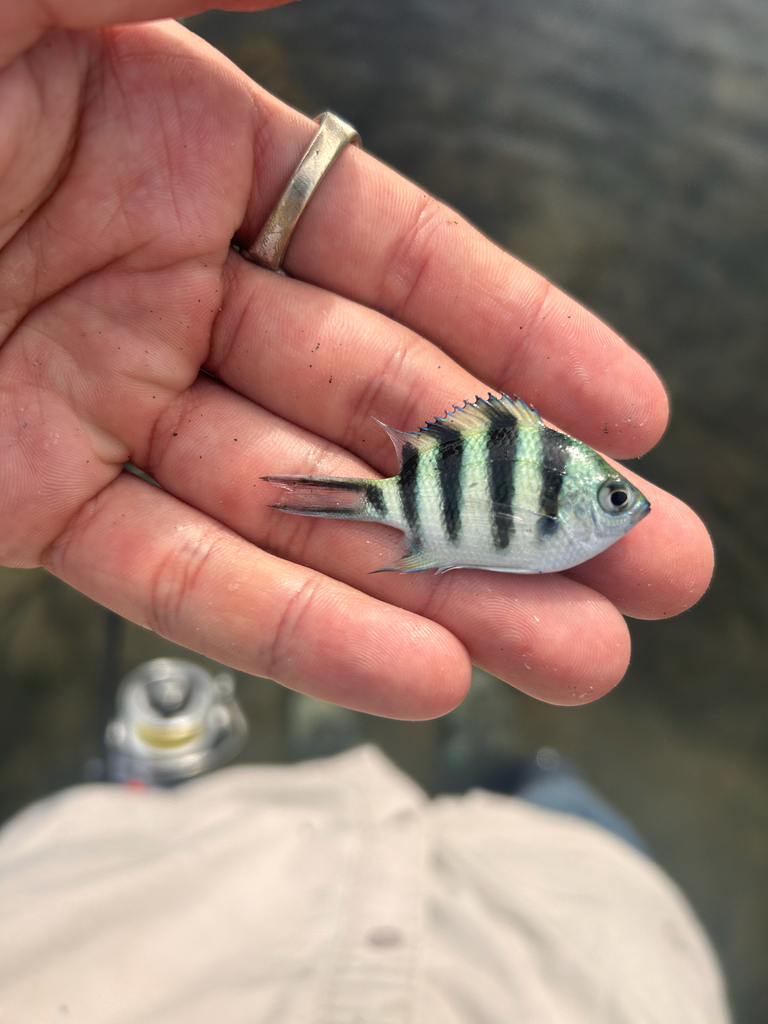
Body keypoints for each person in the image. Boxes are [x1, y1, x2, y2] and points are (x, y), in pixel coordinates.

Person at [0, 3, 728, 1021]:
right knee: (581, 860)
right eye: (611, 496)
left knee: (135, 848)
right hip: (555, 974)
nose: (619, 508)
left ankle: (342, 759)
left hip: (101, 934)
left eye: (615, 498)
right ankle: (502, 775)